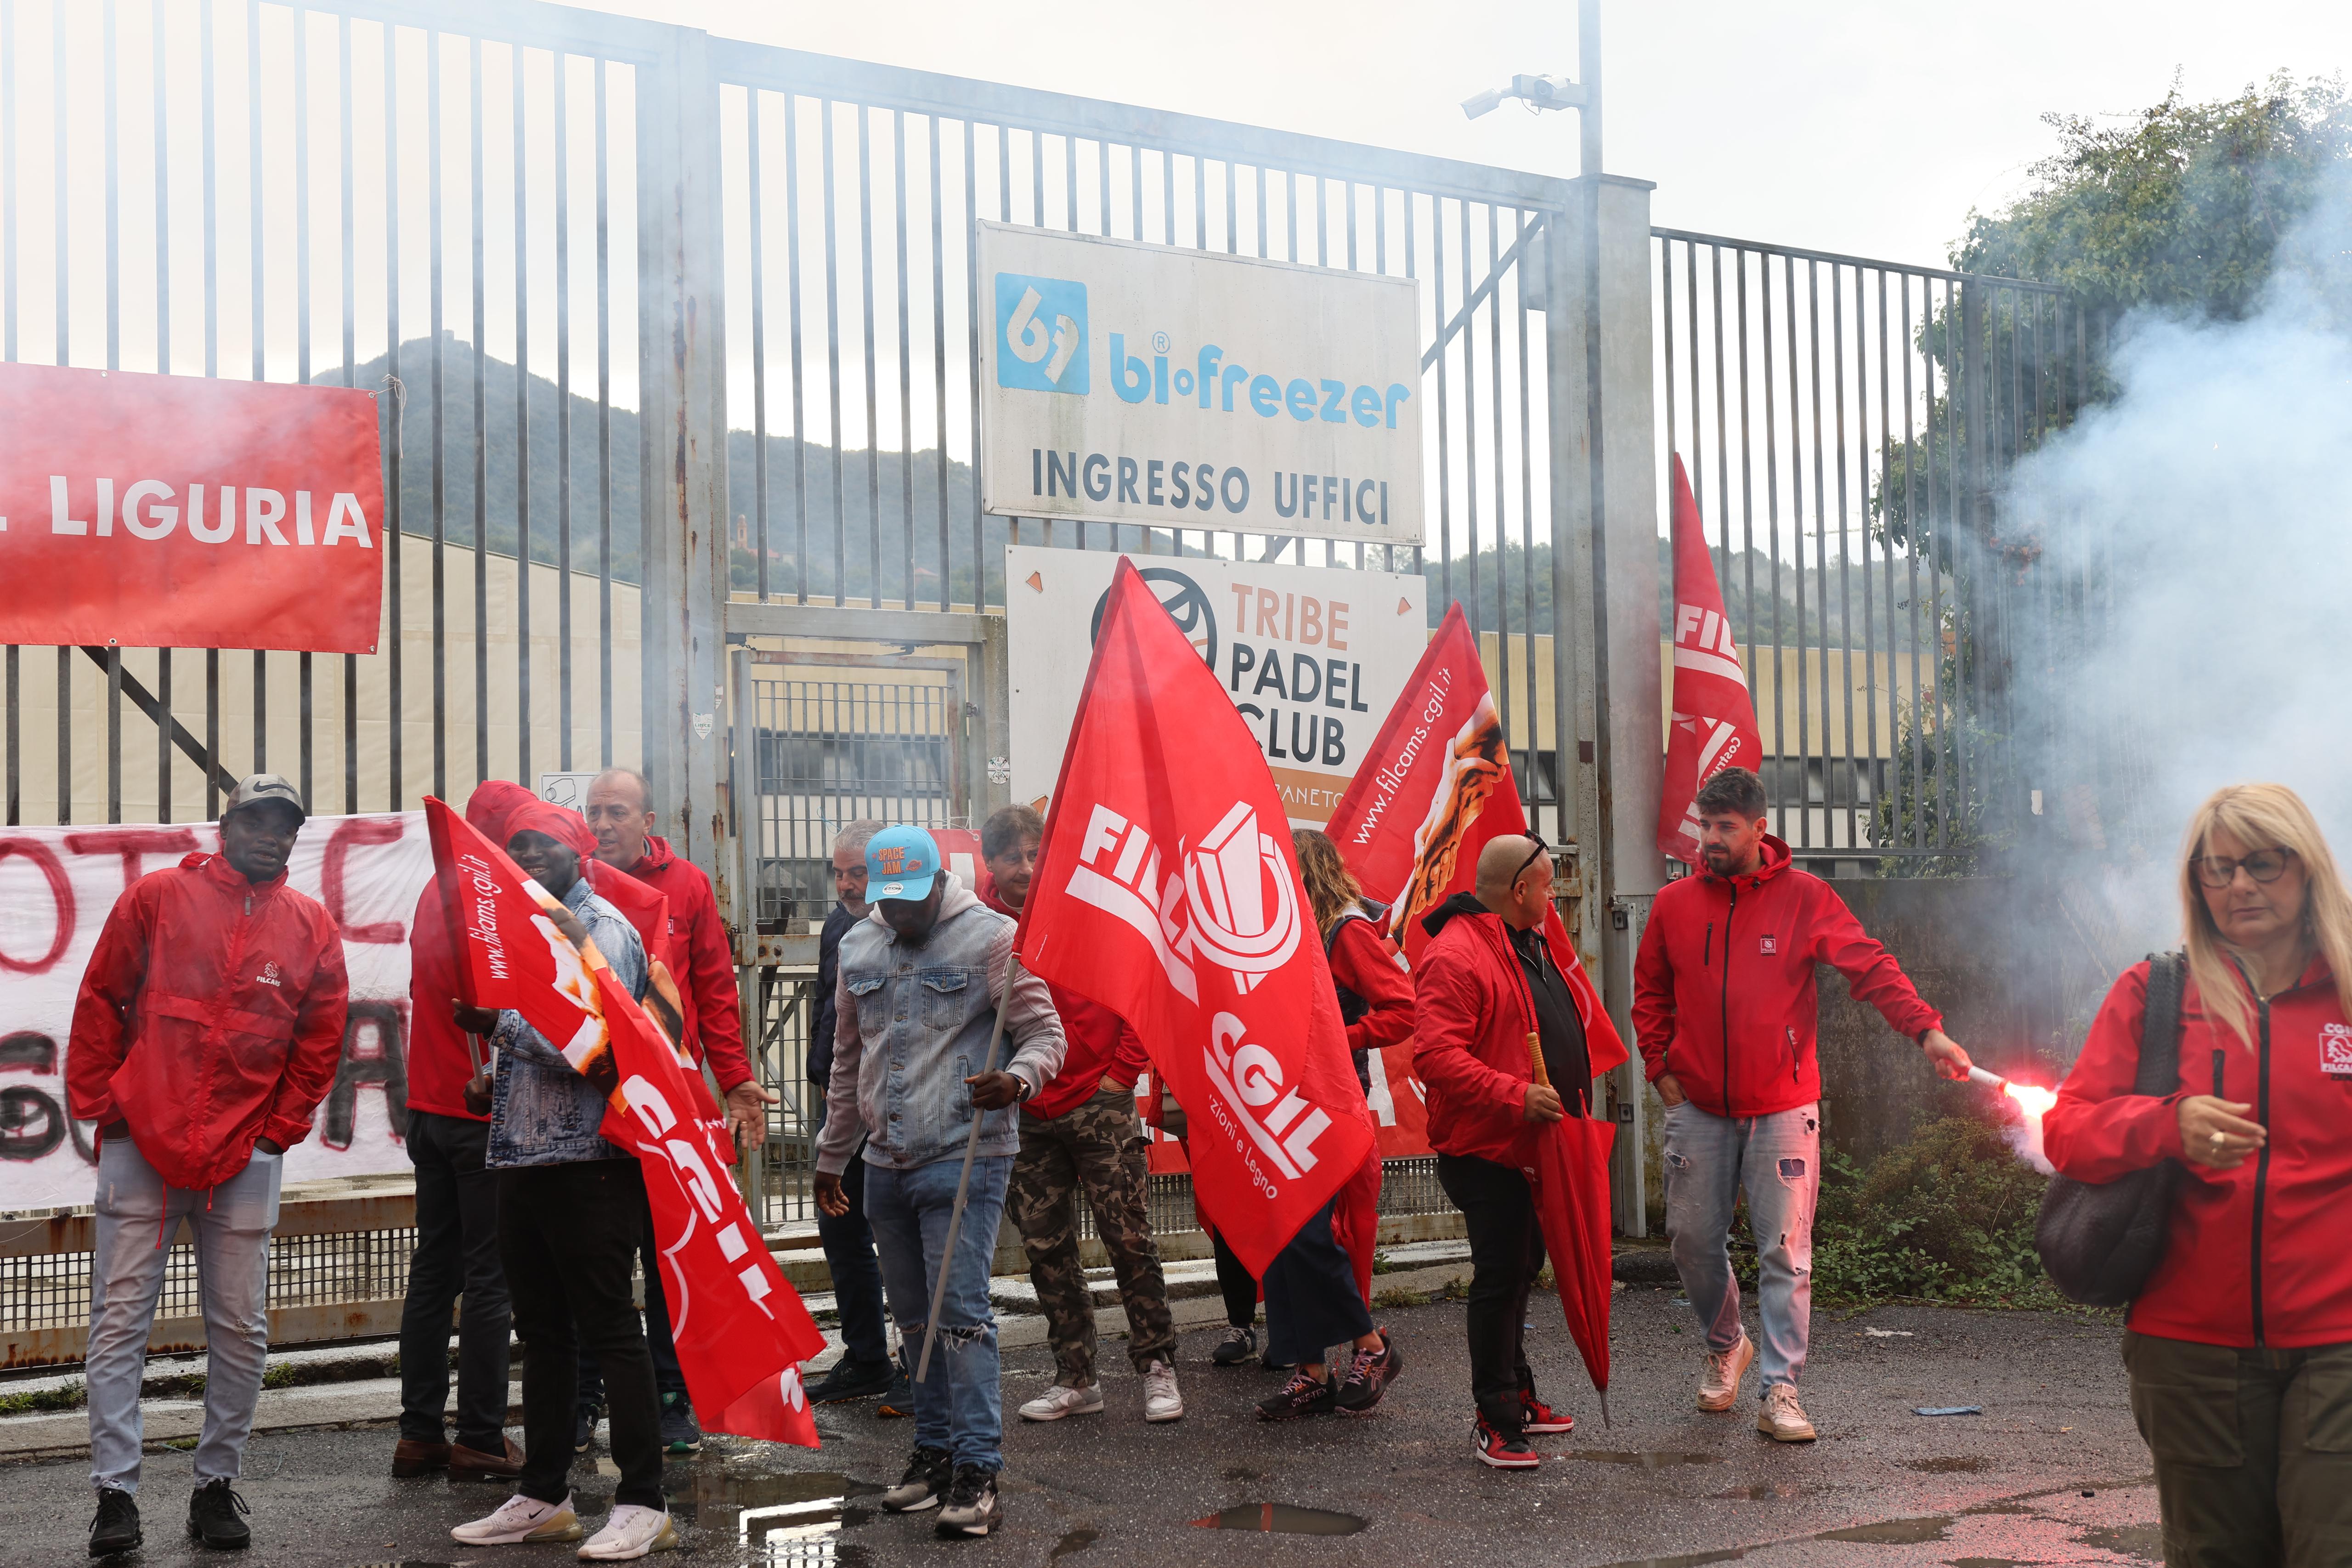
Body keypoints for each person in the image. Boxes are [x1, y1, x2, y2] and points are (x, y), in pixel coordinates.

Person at [2045, 783, 2352, 1563]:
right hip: (2190, 1347)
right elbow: (2067, 1131)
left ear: (2307, 867)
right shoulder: (2158, 992)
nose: (2239, 885)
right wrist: (2164, 1125)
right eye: (2216, 871)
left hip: (2342, 1337)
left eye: (2261, 863)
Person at [1633, 766, 1971, 1443]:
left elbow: (1870, 967)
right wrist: (1660, 1067)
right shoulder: (1675, 904)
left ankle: (1780, 1388)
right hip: (1698, 1105)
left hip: (1784, 1104)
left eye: (1727, 827)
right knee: (1693, 1241)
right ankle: (1727, 1342)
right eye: (1706, 825)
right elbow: (1651, 991)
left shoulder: (1806, 897)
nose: (1712, 839)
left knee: (1786, 1251)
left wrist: (1927, 1032)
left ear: (1761, 828)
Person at [72, 775, 351, 1556]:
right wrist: (111, 1110)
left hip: (245, 1153)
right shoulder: (157, 897)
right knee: (121, 1321)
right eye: (256, 820)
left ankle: (216, 1483)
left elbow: (320, 1040)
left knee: (241, 1326)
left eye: (285, 825)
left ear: (296, 836)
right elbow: (101, 999)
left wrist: (277, 1133)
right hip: (143, 1147)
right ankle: (114, 1495)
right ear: (225, 824)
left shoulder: (311, 925)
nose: (271, 835)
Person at [814, 826, 1066, 1540]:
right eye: (884, 900)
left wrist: (1016, 1079)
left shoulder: (991, 937)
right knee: (916, 1321)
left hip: (967, 1153)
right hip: (884, 1161)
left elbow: (1048, 1034)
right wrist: (834, 1152)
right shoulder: (860, 945)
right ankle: (934, 1451)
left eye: (908, 900)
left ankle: (979, 1469)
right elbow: (845, 1062)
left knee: (960, 1317)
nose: (895, 914)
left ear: (936, 883)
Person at [449, 802, 672, 1560]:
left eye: (544, 845)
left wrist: (497, 1026)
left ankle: (645, 1499)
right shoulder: (524, 927)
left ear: (578, 851)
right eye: (517, 848)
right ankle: (546, 1494)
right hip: (522, 1158)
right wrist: (496, 1086)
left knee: (610, 1326)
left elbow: (597, 1039)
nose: (529, 856)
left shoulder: (599, 927)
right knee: (542, 1332)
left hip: (592, 1161)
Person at [579, 768, 779, 1457]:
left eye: (617, 812)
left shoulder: (688, 884)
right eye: (594, 812)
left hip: (669, 1102)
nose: (603, 824)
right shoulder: (571, 883)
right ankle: (583, 1398)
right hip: (592, 1100)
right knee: (593, 1257)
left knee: (671, 1258)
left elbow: (716, 993)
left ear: (648, 819)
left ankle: (670, 1401)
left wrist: (737, 1080)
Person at [1415, 832, 1619, 1469]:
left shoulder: (1523, 941)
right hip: (1484, 1146)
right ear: (1521, 890)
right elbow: (1435, 1056)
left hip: (1529, 1143)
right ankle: (1495, 1418)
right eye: (1549, 883)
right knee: (1503, 1271)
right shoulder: (1457, 955)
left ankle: (1518, 1391)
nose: (1555, 893)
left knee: (1524, 1261)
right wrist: (1514, 1094)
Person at [981, 804, 1182, 1426]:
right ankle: (1077, 1376)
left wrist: (1123, 1072)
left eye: (1036, 852)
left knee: (1128, 1237)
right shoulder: (980, 923)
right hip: (1025, 1104)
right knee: (1047, 1247)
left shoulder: (1089, 904)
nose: (1025, 867)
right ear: (989, 863)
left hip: (1099, 1098)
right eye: (1011, 855)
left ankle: (1157, 1366)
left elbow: (1142, 983)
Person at [1250, 831, 1403, 1425]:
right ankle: (1311, 1371)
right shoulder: (1297, 928)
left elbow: (1403, 1008)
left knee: (1311, 1234)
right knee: (1286, 1234)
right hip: (1288, 1099)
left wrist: (1343, 1040)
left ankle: (1371, 1345)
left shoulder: (1347, 929)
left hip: (1331, 1101)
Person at [393, 866, 523, 1483]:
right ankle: (481, 1437)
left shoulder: (434, 889)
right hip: (478, 1112)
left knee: (433, 1270)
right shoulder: (493, 902)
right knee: (488, 1277)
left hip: (428, 1110)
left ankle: (419, 1433)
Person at [800, 820, 911, 1413]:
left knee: (903, 1242)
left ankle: (922, 1370)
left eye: (858, 873)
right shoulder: (842, 926)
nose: (845, 884)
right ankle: (866, 1356)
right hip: (846, 1107)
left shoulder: (917, 926)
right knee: (841, 1232)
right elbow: (831, 1016)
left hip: (899, 1110)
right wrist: (825, 1085)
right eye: (838, 872)